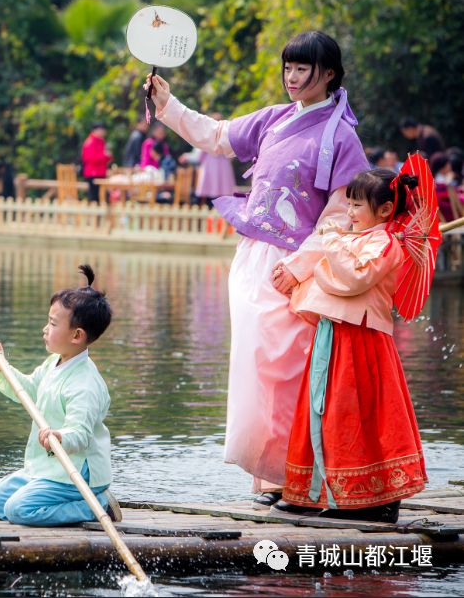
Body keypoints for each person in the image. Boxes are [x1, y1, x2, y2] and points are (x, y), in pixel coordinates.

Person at [146, 30, 370, 506]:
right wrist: (168, 105)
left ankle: (301, 475)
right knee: (252, 368)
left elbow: (340, 217)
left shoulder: (342, 137)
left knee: (290, 368)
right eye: (287, 68)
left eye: (302, 69)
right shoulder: (274, 119)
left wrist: (300, 264)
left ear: (328, 74)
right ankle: (268, 476)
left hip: (298, 267)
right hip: (252, 259)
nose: (292, 77)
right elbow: (217, 136)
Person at [270, 168, 428, 523]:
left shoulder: (386, 243)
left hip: (362, 337)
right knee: (320, 408)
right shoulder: (355, 236)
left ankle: (374, 497)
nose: (350, 211)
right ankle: (314, 491)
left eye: (357, 205)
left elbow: (352, 280)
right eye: (349, 204)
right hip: (335, 331)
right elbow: (335, 273)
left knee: (356, 414)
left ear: (385, 210)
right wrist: (334, 250)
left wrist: (330, 248)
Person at [0, 265, 121, 526]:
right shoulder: (54, 362)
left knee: (18, 510)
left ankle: (97, 505)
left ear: (77, 335)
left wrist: (59, 436)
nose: (45, 329)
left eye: (53, 324)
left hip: (75, 469)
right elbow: (29, 391)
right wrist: (2, 367)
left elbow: (80, 435)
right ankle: (79, 500)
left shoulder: (84, 384)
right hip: (49, 468)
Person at [179, 113, 238, 207]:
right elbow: (232, 154)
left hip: (211, 170)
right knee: (224, 200)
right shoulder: (228, 135)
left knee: (209, 199)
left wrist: (186, 156)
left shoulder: (207, 135)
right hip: (224, 170)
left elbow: (198, 156)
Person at [81, 123, 111, 204]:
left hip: (101, 172)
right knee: (94, 197)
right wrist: (104, 156)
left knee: (103, 196)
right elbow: (89, 158)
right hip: (92, 173)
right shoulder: (90, 142)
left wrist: (107, 156)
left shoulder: (101, 141)